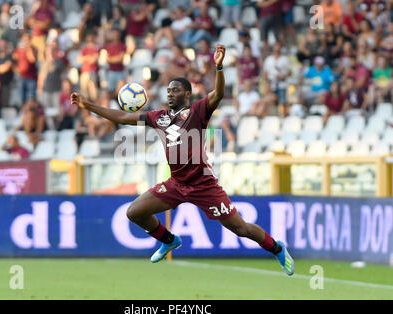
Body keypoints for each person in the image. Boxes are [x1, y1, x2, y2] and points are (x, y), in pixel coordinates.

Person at [70, 44, 295, 276]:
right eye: (168, 91)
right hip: (177, 184)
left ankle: (277, 249)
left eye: (175, 90)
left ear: (187, 94)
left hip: (204, 185)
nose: (170, 94)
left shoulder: (198, 111)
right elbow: (124, 116)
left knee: (240, 228)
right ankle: (168, 240)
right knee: (134, 212)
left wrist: (218, 67)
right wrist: (89, 105)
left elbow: (217, 94)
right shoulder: (159, 117)